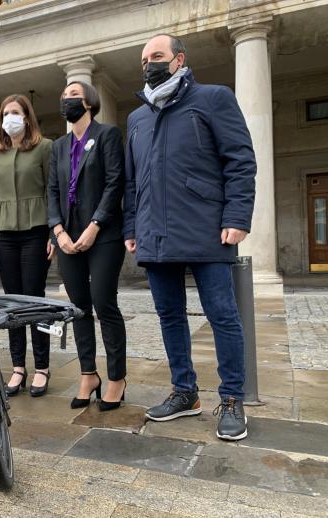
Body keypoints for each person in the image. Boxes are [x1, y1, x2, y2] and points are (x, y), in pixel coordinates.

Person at [123, 34, 256, 441]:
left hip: (207, 229)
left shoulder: (214, 98)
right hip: (154, 233)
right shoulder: (136, 118)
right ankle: (185, 392)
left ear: (179, 60)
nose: (150, 64)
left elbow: (240, 159)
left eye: (158, 57)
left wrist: (237, 215)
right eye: (144, 59)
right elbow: (132, 181)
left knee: (223, 315)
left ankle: (232, 399)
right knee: (170, 317)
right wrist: (131, 226)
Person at [48, 81, 127, 411]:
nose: (67, 101)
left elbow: (114, 183)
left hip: (103, 235)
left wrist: (95, 226)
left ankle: (117, 378)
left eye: (73, 97)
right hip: (67, 238)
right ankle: (87, 374)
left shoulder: (107, 135)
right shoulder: (58, 146)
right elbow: (51, 189)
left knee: (103, 303)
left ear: (90, 103)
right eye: (64, 96)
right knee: (78, 307)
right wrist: (57, 231)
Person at [0, 94, 54, 397]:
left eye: (15, 112)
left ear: (27, 117)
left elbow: (54, 192)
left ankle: (42, 367)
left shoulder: (45, 147)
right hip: (5, 235)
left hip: (37, 230)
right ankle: (18, 367)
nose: (9, 117)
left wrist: (55, 232)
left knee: (35, 300)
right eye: (4, 113)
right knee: (11, 303)